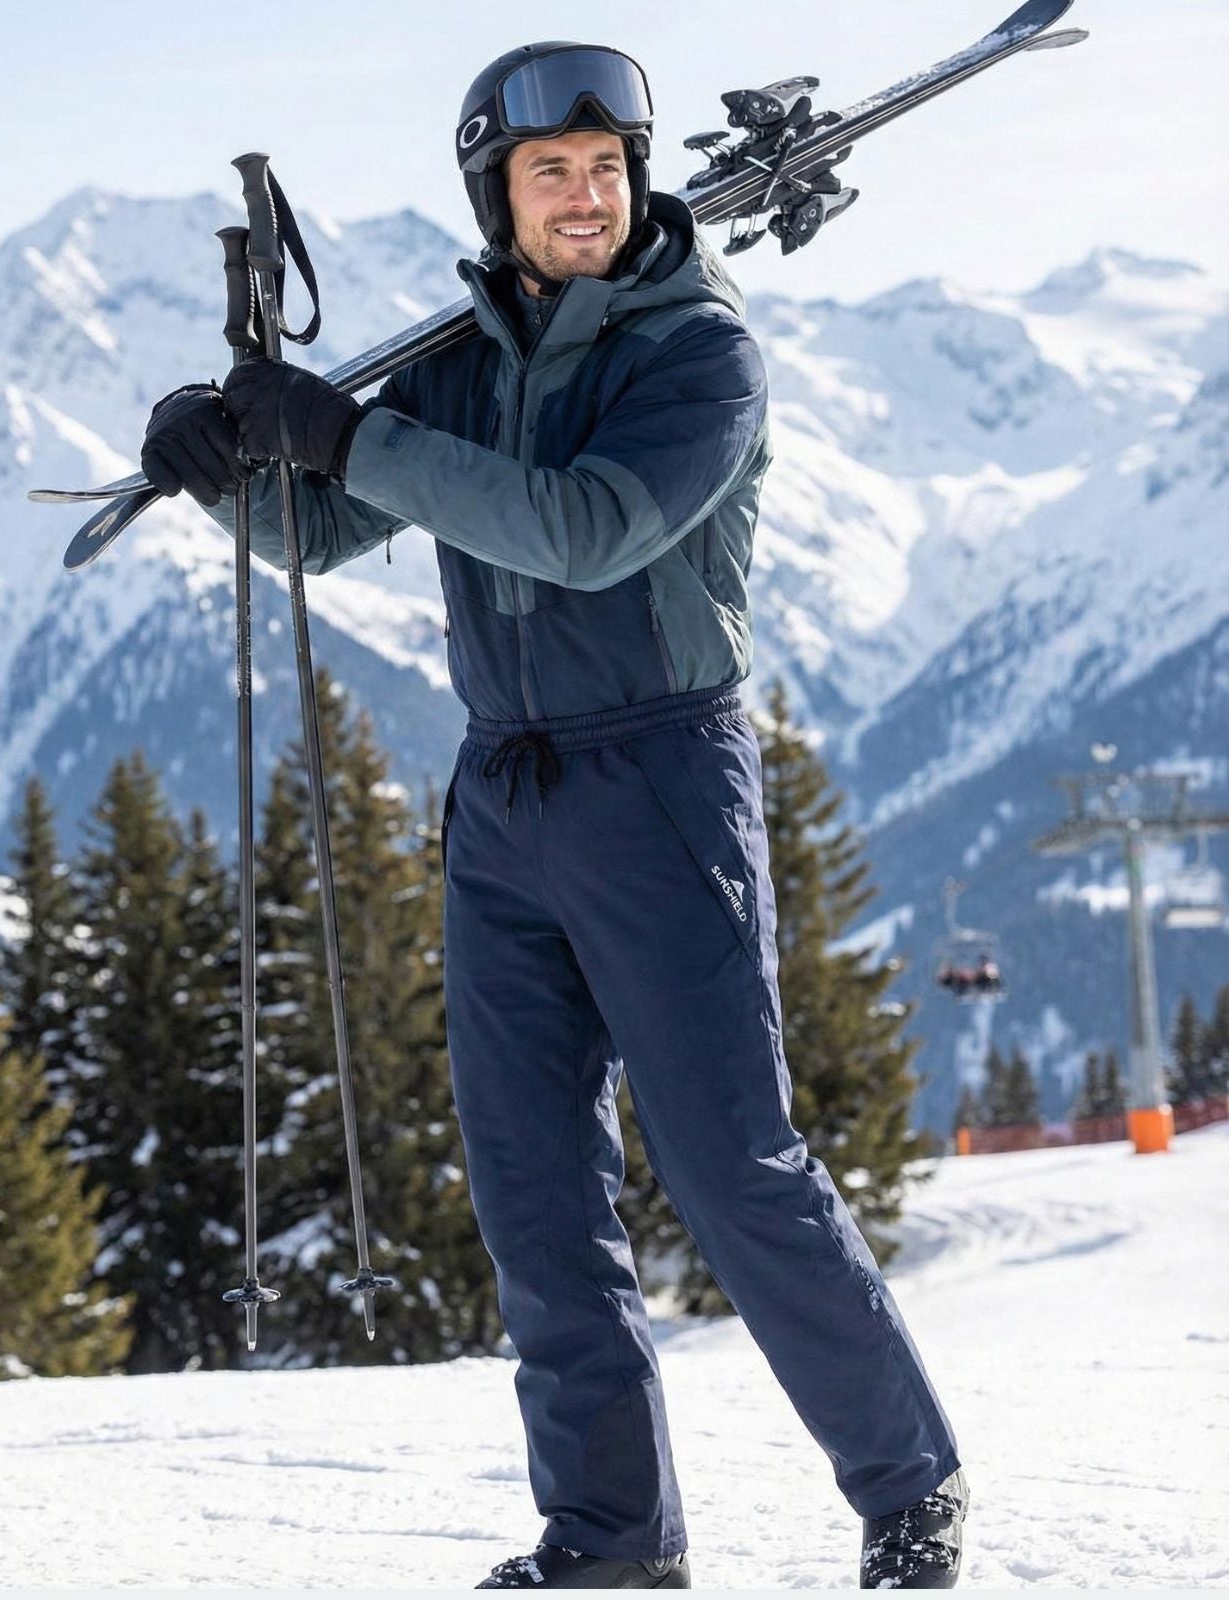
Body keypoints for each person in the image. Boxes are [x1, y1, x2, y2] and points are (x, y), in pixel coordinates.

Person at [139, 41, 969, 1590]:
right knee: (534, 1190)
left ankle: (909, 1482)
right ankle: (607, 1540)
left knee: (731, 1163)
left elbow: (584, 533)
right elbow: (328, 529)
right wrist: (224, 469)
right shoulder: (459, 358)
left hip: (660, 780)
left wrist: (345, 432)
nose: (588, 196)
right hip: (505, 793)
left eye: (607, 168)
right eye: (551, 173)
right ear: (497, 192)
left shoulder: (697, 350)